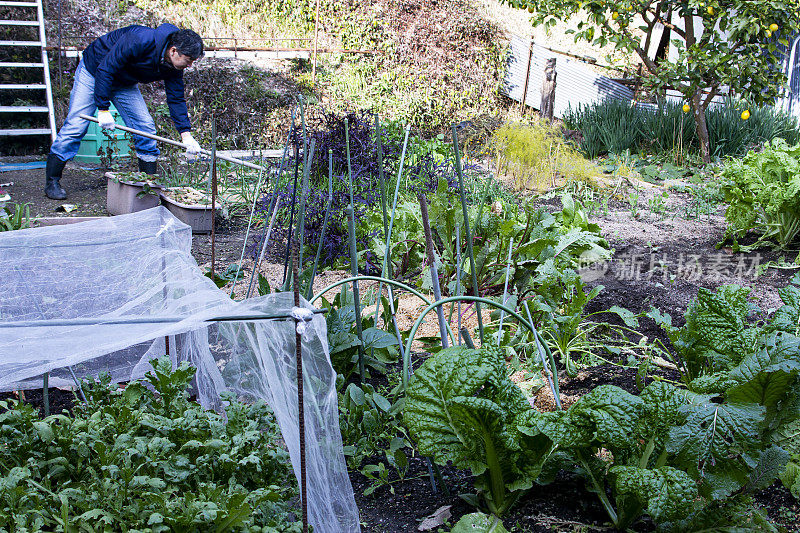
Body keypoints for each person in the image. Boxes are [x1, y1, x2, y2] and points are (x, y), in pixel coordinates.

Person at [45, 24, 204, 200]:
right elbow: (106, 69)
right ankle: (52, 181)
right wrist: (103, 109)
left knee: (145, 127)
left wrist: (186, 135)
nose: (190, 65)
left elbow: (175, 99)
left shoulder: (174, 67)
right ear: (174, 50)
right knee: (76, 126)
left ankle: (148, 184)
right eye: (189, 60)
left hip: (124, 82)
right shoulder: (140, 40)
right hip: (95, 69)